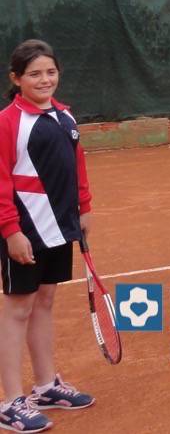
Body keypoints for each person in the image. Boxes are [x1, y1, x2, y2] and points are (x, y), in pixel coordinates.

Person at [0, 41, 95, 433]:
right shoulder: (8, 122)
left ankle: (45, 387)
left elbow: (77, 164)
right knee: (17, 309)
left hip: (58, 227)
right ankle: (9, 402)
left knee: (45, 302)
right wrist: (10, 230)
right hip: (25, 230)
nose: (44, 80)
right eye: (35, 74)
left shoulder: (64, 116)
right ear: (16, 78)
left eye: (50, 72)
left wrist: (84, 207)